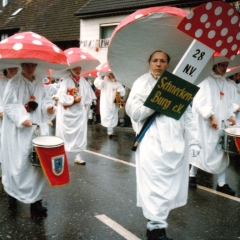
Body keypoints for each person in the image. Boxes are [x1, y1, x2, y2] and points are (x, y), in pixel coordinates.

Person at [126, 50, 200, 240]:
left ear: (168, 64)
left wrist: (195, 140)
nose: (158, 64)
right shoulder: (141, 83)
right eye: (155, 60)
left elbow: (188, 115)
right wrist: (156, 101)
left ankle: (156, 227)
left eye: (163, 61)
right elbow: (134, 112)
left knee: (169, 185)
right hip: (152, 140)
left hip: (175, 142)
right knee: (154, 183)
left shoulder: (175, 84)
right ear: (149, 62)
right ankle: (156, 227)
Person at [1, 63, 56, 215]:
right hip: (19, 132)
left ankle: (36, 203)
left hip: (37, 128)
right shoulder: (14, 83)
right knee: (19, 164)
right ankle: (13, 195)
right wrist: (22, 118)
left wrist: (49, 108)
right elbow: (10, 105)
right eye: (27, 65)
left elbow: (46, 100)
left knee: (37, 166)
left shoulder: (39, 82)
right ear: (22, 65)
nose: (30, 68)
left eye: (33, 65)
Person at [189, 61, 236, 196]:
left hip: (221, 123)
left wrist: (230, 116)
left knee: (222, 151)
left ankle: (221, 183)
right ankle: (191, 175)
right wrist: (211, 116)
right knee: (203, 149)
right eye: (222, 65)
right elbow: (200, 103)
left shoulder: (225, 83)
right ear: (214, 65)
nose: (225, 68)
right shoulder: (205, 81)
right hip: (206, 124)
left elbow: (228, 103)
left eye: (226, 65)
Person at [56, 66, 96, 165]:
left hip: (79, 112)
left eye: (79, 69)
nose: (78, 71)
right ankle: (62, 155)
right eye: (76, 69)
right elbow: (60, 97)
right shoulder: (66, 81)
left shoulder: (83, 81)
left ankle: (78, 156)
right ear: (71, 70)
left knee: (80, 133)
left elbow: (88, 95)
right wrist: (73, 99)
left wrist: (85, 103)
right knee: (64, 133)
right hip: (67, 112)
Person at [0, 67, 18, 179]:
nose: (15, 71)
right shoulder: (1, 83)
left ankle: (11, 169)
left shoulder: (17, 83)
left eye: (16, 69)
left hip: (14, 118)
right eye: (12, 69)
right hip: (2, 118)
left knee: (13, 143)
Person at [94, 73, 125, 137]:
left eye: (114, 74)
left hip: (114, 101)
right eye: (111, 74)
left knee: (113, 115)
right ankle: (109, 131)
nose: (113, 76)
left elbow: (123, 91)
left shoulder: (118, 82)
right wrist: (100, 77)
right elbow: (98, 85)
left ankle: (111, 130)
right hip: (106, 101)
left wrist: (118, 91)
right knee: (107, 115)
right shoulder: (105, 81)